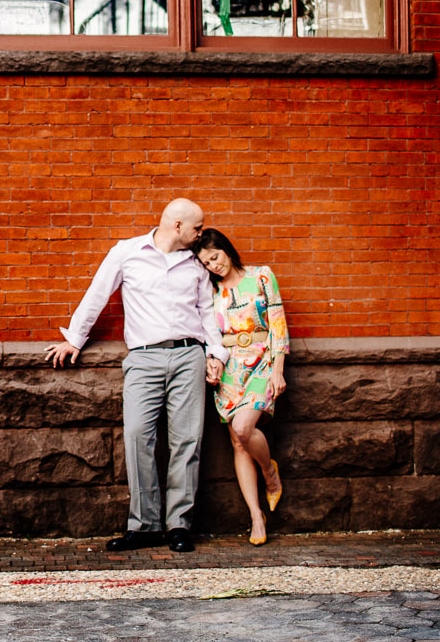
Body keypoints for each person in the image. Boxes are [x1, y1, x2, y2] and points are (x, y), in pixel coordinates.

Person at [45, 198, 227, 553]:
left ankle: (178, 525)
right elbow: (97, 294)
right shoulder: (127, 253)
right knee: (137, 436)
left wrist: (216, 354)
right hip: (144, 358)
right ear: (178, 226)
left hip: (190, 355)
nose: (201, 233)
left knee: (187, 441)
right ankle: (143, 525)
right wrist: (74, 340)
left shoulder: (196, 263)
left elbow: (208, 312)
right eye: (197, 227)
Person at [192, 227, 289, 546]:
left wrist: (277, 369)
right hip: (230, 368)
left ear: (227, 250)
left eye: (215, 257)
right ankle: (256, 516)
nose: (213, 266)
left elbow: (277, 322)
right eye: (206, 263)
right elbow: (208, 332)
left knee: (243, 427)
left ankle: (269, 473)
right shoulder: (210, 291)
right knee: (236, 441)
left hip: (261, 360)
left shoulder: (261, 276)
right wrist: (213, 362)